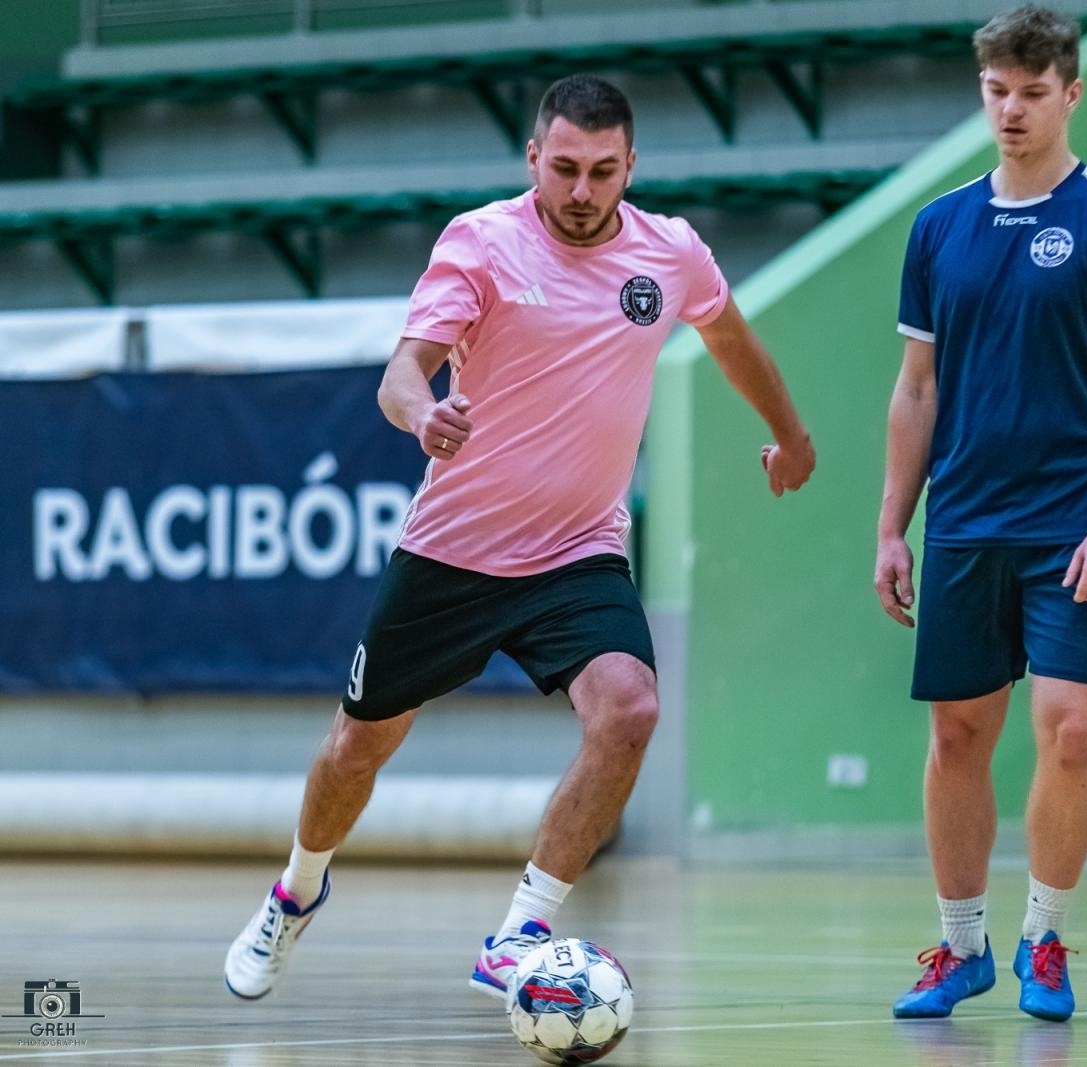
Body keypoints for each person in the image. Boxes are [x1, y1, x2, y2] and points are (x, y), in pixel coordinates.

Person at [224, 74, 815, 1002]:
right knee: (355, 748)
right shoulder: (484, 242)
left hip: (580, 549)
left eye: (604, 171)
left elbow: (731, 337)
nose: (583, 191)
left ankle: (520, 931)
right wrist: (424, 416)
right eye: (566, 168)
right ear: (534, 157)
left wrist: (792, 429)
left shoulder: (671, 256)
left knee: (631, 709)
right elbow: (402, 373)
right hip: (454, 550)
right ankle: (295, 892)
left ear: (631, 167)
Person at [875, 4, 1087, 1023]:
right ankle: (961, 947)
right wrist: (890, 526)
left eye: (1032, 93)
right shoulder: (938, 226)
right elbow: (915, 389)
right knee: (958, 735)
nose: (1011, 110)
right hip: (962, 523)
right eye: (996, 91)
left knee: (1072, 732)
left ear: (1071, 93)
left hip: (1075, 528)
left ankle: (1045, 935)